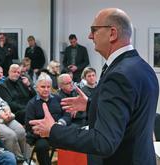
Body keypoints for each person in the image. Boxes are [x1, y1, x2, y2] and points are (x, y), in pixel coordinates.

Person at [29, 8, 159, 165]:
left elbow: (103, 142)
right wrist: (92, 105)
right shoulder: (142, 67)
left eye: (94, 30)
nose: (90, 36)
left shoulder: (119, 75)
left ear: (112, 33)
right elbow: (129, 113)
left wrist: (54, 130)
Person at [25, 73, 71, 165]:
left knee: (74, 139)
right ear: (37, 87)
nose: (46, 89)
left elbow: (67, 114)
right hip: (42, 136)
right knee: (41, 146)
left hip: (59, 130)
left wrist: (60, 123)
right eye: (43, 87)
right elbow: (29, 125)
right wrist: (44, 130)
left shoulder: (58, 98)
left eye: (48, 87)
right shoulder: (32, 104)